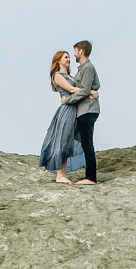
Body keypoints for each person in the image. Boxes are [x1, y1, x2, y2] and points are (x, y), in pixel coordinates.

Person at [39, 50, 84, 184]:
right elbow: (71, 90)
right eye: (65, 57)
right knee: (62, 140)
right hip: (66, 110)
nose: (68, 59)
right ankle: (59, 174)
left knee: (68, 142)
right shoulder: (57, 75)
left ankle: (63, 173)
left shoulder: (70, 76)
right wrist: (88, 91)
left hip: (73, 110)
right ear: (58, 60)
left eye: (69, 57)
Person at [68, 40, 101, 184]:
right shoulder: (83, 68)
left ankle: (91, 178)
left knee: (87, 143)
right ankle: (89, 176)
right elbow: (93, 86)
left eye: (75, 50)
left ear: (81, 51)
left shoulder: (87, 68)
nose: (74, 54)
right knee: (85, 142)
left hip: (87, 110)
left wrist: (67, 101)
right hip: (85, 109)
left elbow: (85, 91)